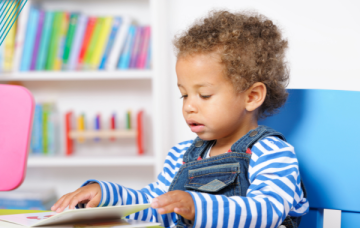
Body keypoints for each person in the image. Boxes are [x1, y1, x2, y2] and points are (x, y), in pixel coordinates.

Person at [51, 10, 309, 228]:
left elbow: (268, 209)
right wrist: (106, 195)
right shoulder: (182, 156)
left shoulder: (271, 152)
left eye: (205, 95)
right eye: (184, 95)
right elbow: (156, 205)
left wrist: (196, 206)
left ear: (252, 96)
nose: (189, 107)